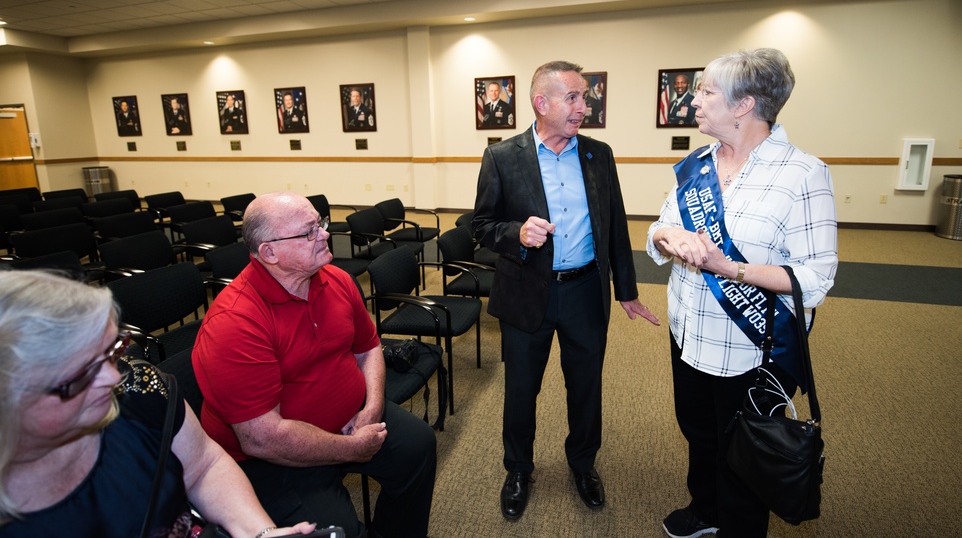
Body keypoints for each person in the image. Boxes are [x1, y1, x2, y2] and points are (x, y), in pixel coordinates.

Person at [646, 48, 837, 538]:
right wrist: (670, 237)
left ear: (744, 105)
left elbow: (813, 278)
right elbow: (658, 231)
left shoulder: (802, 174)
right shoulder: (698, 164)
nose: (695, 100)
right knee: (698, 431)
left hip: (752, 347)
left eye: (707, 91)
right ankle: (705, 510)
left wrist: (727, 267)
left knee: (745, 449)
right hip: (689, 332)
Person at [472, 60, 660, 521]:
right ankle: (517, 470)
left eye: (585, 97)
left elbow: (613, 226)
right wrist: (516, 233)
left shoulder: (599, 154)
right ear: (542, 103)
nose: (584, 106)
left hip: (583, 293)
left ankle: (583, 464)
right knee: (520, 391)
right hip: (526, 293)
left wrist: (627, 289)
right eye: (574, 97)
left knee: (586, 388)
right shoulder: (502, 156)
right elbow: (480, 225)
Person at [192, 192, 437, 538]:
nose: (324, 234)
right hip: (272, 460)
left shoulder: (335, 279)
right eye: (308, 232)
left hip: (353, 420)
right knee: (338, 531)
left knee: (419, 447)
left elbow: (369, 349)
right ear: (270, 253)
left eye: (319, 224)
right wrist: (352, 448)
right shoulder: (234, 323)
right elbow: (263, 439)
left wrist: (372, 407)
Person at [0, 270, 317, 538]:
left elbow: (204, 465)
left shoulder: (140, 389)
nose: (112, 378)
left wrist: (256, 531)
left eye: (113, 351)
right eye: (83, 373)